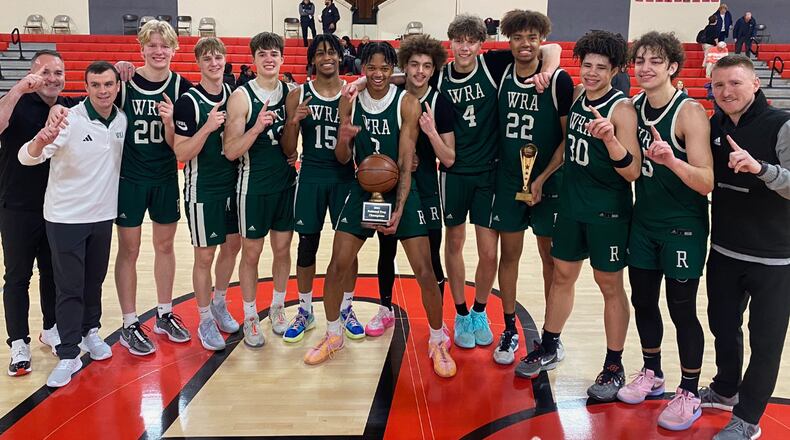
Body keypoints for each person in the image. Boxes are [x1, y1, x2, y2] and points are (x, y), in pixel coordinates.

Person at [303, 42, 457, 378]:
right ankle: (333, 335)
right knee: (337, 264)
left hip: (401, 187)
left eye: (384, 68)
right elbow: (343, 157)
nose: (377, 74)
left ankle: (436, 339)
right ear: (362, 69)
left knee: (426, 270)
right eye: (371, 68)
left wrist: (400, 208)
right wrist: (343, 138)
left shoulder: (408, 103)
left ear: (392, 70)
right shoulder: (351, 99)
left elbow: (405, 159)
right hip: (362, 189)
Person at [515, 31, 642, 404]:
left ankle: (614, 364)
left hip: (608, 211)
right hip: (571, 204)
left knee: (609, 285)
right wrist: (541, 177)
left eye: (601, 68)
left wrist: (611, 141)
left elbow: (632, 171)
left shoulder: (622, 109)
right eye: (587, 65)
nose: (591, 73)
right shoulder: (576, 97)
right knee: (561, 277)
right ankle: (550, 344)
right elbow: (567, 148)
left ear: (614, 70)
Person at [616, 32, 713, 431]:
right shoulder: (633, 107)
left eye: (655, 61)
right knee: (642, 301)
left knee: (681, 308)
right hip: (644, 223)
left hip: (682, 228)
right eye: (640, 60)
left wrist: (672, 162)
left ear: (673, 66)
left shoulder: (688, 111)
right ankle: (652, 372)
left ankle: (689, 390)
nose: (645, 68)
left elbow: (706, 181)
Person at [19, 61, 127, 387]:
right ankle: (68, 353)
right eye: (96, 85)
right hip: (66, 217)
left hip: (102, 216)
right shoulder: (68, 119)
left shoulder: (120, 120)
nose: (103, 91)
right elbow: (28, 156)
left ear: (116, 87)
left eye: (108, 84)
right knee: (69, 287)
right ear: (86, 87)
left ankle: (90, 332)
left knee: (93, 281)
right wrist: (40, 140)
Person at [703, 54, 790, 440]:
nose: (726, 92)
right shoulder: (715, 124)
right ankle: (725, 388)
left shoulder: (781, 124)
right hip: (723, 250)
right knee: (723, 326)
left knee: (766, 341)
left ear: (755, 84)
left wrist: (761, 169)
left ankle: (748, 418)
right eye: (719, 85)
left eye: (735, 83)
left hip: (776, 257)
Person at [490, 10, 573, 365]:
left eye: (532, 38)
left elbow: (568, 139)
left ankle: (551, 336)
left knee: (549, 261)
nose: (525, 44)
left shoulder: (558, 81)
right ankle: (509, 328)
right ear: (508, 40)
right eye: (518, 38)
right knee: (508, 256)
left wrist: (540, 179)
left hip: (550, 184)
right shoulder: (499, 69)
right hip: (508, 181)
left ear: (542, 40)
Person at [109, 20, 193, 356]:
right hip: (129, 178)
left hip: (165, 177)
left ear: (174, 49)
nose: (158, 51)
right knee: (128, 250)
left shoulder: (181, 87)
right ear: (141, 48)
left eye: (164, 46)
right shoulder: (125, 81)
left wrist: (170, 123)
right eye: (152, 45)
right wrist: (116, 71)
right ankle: (129, 322)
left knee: (165, 246)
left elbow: (181, 144)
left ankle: (163, 313)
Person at [365, 35, 455, 339]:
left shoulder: (440, 102)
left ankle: (437, 323)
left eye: (426, 66)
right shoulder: (395, 92)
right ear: (405, 67)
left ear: (434, 69)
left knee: (431, 258)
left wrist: (430, 134)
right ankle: (385, 308)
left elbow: (450, 158)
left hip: (426, 188)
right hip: (389, 184)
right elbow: (373, 81)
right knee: (385, 249)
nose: (419, 71)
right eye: (414, 64)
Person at [280, 34, 362, 343]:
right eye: (320, 53)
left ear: (341, 57)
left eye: (332, 52)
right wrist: (293, 122)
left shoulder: (351, 92)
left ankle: (346, 308)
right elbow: (288, 151)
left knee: (348, 250)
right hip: (311, 176)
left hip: (344, 179)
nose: (326, 57)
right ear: (312, 59)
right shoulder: (298, 94)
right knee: (307, 246)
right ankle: (305, 310)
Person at [0, 50, 74, 376]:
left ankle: (52, 329)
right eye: (47, 72)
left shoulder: (69, 107)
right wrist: (18, 89)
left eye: (59, 73)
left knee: (53, 274)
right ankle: (18, 342)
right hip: (16, 205)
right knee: (17, 277)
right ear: (33, 73)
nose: (53, 78)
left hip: (55, 208)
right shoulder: (17, 101)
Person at [224, 32, 297, 347]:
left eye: (274, 54)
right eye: (263, 54)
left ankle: (278, 309)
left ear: (282, 59)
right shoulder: (242, 97)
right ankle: (251, 317)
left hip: (285, 184)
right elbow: (230, 150)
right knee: (252, 252)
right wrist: (256, 128)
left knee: (283, 250)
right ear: (253, 60)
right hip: (253, 187)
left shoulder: (292, 93)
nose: (269, 59)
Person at [172, 37, 241, 352]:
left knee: (232, 248)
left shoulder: (233, 93)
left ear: (225, 59)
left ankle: (219, 302)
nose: (214, 63)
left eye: (218, 57)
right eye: (207, 59)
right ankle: (203, 319)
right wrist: (208, 127)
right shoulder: (189, 101)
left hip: (233, 185)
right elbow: (181, 149)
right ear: (198, 63)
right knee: (205, 255)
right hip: (203, 189)